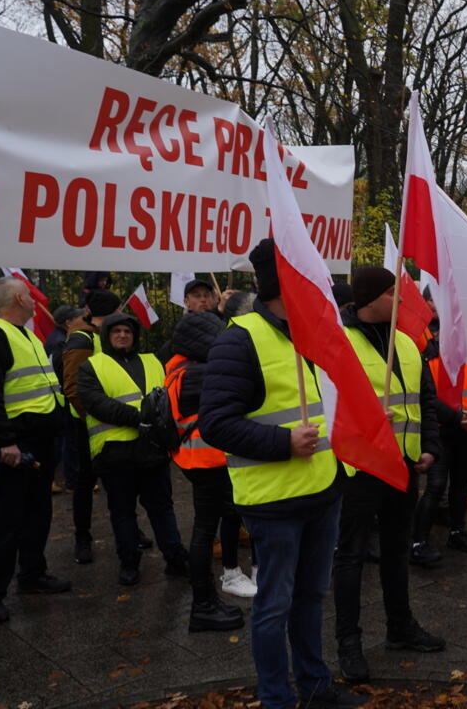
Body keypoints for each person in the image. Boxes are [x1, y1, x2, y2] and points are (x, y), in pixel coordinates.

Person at [198, 239, 363, 709]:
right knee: (274, 606)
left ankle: (314, 686)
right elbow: (215, 423)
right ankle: (277, 699)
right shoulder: (239, 338)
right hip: (273, 501)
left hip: (323, 491)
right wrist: (282, 443)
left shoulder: (314, 334)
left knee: (310, 597)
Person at [335, 267, 445, 683]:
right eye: (393, 293)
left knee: (398, 550)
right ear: (368, 299)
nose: (402, 300)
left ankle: (400, 627)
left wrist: (431, 446)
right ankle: (349, 642)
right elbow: (325, 404)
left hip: (403, 465)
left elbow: (425, 400)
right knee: (351, 556)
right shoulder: (339, 342)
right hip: (358, 469)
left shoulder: (407, 342)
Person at [0, 276, 70, 624]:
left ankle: (32, 574)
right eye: (30, 295)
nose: (35, 300)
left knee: (38, 511)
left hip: (40, 441)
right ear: (18, 298)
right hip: (17, 444)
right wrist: (4, 441)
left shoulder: (26, 334)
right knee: (6, 518)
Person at [77, 313, 188, 585]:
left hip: (152, 451)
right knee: (123, 512)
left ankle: (176, 559)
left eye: (128, 331)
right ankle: (129, 563)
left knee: (162, 508)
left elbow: (168, 397)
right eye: (116, 331)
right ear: (107, 336)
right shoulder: (91, 366)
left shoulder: (153, 362)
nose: (123, 335)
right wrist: (140, 416)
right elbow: (96, 404)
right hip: (115, 454)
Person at [165, 311, 250, 631]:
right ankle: (202, 604)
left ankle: (206, 600)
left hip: (195, 460)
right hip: (209, 461)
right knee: (203, 533)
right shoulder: (200, 374)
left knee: (205, 528)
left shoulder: (177, 366)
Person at [60, 288, 122, 565]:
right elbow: (72, 388)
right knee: (86, 484)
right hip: (87, 427)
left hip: (111, 423)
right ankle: (82, 540)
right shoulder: (81, 340)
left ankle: (129, 531)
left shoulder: (103, 335)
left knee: (118, 482)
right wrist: (95, 418)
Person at [411, 350, 467, 567]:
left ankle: (457, 531)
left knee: (460, 485)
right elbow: (428, 398)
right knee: (436, 486)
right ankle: (419, 541)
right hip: (442, 432)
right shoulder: (431, 360)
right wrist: (456, 418)